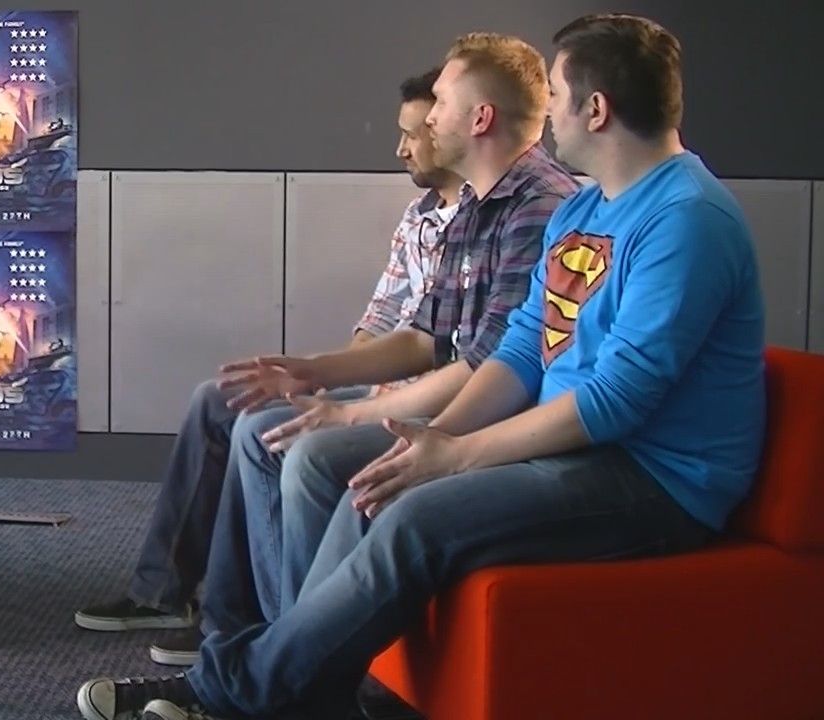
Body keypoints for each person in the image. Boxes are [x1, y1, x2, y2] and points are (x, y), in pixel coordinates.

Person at [76, 14, 765, 719]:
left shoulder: (687, 218)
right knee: (378, 486)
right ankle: (299, 697)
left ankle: (222, 693)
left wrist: (457, 455)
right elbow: (522, 349)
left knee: (415, 518)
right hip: (578, 449)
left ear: (596, 109)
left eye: (557, 94)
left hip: (654, 478)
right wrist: (432, 442)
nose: (548, 113)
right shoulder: (587, 208)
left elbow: (617, 399)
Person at [150, 33, 580, 667]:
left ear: (480, 118)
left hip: (490, 416)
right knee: (263, 429)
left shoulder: (540, 206)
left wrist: (354, 412)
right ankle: (277, 645)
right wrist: (311, 372)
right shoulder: (471, 203)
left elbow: (490, 365)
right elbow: (424, 339)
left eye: (440, 103)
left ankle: (294, 658)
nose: (428, 121)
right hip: (446, 397)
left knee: (308, 453)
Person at [72, 69, 464, 643]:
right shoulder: (419, 215)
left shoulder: (493, 216)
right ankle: (160, 594)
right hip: (379, 382)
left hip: (422, 401)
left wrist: (349, 395)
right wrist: (323, 381)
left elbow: (457, 353)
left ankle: (254, 632)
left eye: (414, 133)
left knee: (261, 431)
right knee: (219, 399)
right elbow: (381, 319)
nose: (401, 148)